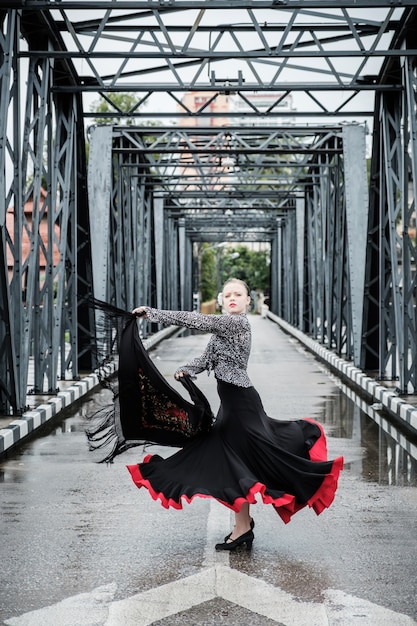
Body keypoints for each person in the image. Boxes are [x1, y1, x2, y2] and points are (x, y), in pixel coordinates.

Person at [129, 277, 343, 551]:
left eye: (237, 294)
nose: (232, 298)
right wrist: (187, 368)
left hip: (242, 405)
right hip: (231, 405)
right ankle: (243, 527)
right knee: (236, 466)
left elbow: (197, 320)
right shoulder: (222, 331)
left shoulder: (237, 323)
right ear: (221, 299)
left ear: (247, 301)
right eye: (227, 294)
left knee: (241, 462)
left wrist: (154, 314)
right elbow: (205, 360)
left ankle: (243, 528)